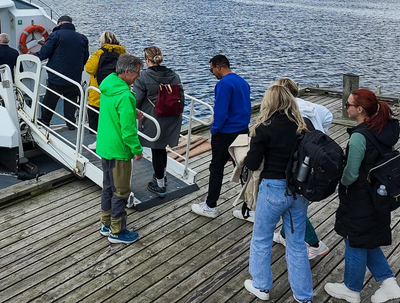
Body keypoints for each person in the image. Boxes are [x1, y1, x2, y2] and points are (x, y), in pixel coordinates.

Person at [325, 88, 400, 303]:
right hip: (379, 195)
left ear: (359, 109)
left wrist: (337, 181)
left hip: (360, 197)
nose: (346, 107)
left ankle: (351, 289)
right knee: (367, 238)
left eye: (348, 104)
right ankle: (389, 283)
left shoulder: (360, 136)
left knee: (355, 240)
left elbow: (350, 174)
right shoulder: (384, 129)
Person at [242, 84, 313, 302]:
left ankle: (261, 286)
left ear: (269, 102)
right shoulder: (304, 125)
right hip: (298, 191)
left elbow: (253, 163)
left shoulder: (263, 127)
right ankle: (304, 296)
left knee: (262, 238)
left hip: (273, 189)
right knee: (297, 245)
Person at [268, 77, 331, 260]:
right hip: (317, 156)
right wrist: (321, 131)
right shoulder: (312, 107)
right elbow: (328, 115)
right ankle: (284, 234)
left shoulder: (290, 112)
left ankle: (315, 244)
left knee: (292, 204)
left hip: (301, 165)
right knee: (296, 202)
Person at [192, 54, 251, 218]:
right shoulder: (242, 82)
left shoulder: (224, 84)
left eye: (212, 70)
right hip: (242, 131)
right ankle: (250, 208)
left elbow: (221, 112)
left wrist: (214, 129)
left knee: (216, 169)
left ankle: (210, 205)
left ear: (219, 66)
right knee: (243, 169)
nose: (212, 74)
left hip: (225, 133)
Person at [97, 54, 145, 245]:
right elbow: (128, 130)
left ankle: (105, 223)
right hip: (119, 150)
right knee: (121, 191)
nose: (138, 77)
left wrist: (134, 111)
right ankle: (117, 231)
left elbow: (115, 111)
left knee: (108, 187)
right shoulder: (126, 95)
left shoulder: (109, 86)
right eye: (137, 73)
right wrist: (137, 149)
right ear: (127, 72)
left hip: (105, 146)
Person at [132, 46, 184, 198]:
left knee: (157, 149)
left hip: (155, 118)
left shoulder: (143, 77)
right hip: (173, 117)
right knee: (162, 149)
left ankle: (160, 184)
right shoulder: (174, 75)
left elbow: (138, 99)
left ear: (147, 60)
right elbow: (181, 98)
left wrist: (134, 112)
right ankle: (162, 176)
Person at [35, 15, 89, 130]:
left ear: (59, 23)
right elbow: (85, 57)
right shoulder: (82, 38)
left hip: (57, 76)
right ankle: (71, 123)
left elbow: (44, 53)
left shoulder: (55, 35)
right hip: (74, 77)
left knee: (50, 99)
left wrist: (32, 57)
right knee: (71, 100)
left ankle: (45, 121)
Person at [85, 31, 126, 134]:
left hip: (98, 94)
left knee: (95, 127)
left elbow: (89, 69)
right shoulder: (124, 54)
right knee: (114, 125)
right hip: (118, 95)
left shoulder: (99, 54)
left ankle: (96, 142)